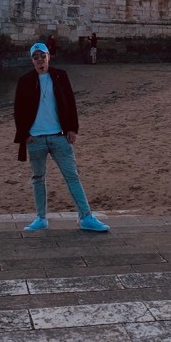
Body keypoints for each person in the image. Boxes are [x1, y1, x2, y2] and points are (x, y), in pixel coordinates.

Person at [14, 42, 109, 233]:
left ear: (49, 57)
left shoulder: (60, 76)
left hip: (59, 137)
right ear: (32, 60)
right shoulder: (25, 81)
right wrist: (24, 135)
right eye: (36, 57)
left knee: (72, 176)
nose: (40, 61)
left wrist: (72, 129)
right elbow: (19, 110)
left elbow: (70, 103)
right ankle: (41, 218)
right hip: (36, 139)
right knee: (38, 178)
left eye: (43, 56)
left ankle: (86, 217)